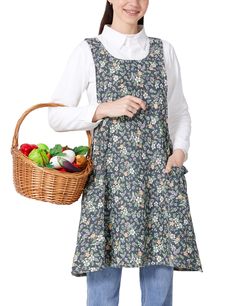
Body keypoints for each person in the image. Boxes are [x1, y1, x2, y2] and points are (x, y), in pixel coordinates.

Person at [48, 1, 203, 305]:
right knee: (103, 291)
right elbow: (56, 116)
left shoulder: (164, 51)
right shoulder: (88, 51)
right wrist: (104, 108)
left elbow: (180, 111)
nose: (133, 2)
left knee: (159, 290)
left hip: (159, 179)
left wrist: (180, 151)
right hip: (108, 182)